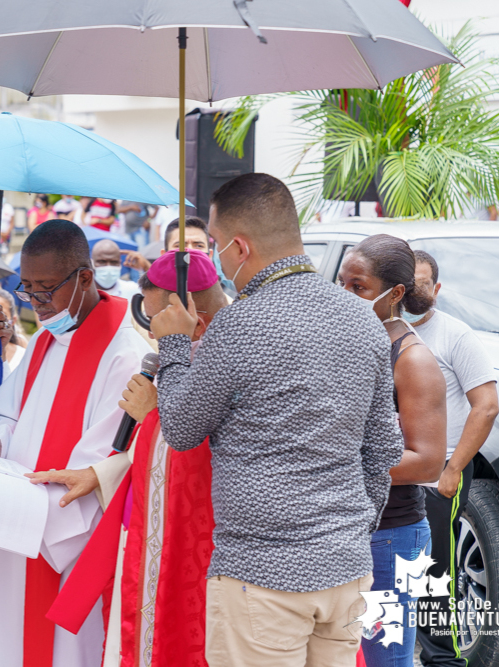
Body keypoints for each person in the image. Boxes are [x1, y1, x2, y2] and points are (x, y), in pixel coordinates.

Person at [150, 173, 407, 666]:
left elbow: (181, 430)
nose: (218, 260)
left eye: (218, 247)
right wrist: (346, 532)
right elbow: (382, 452)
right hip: (345, 568)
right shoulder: (363, 321)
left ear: (240, 247)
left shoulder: (238, 325)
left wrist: (176, 344)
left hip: (262, 576)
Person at [0, 219, 152, 667]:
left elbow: (94, 467)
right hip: (11, 525)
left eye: (46, 289)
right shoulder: (46, 339)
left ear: (84, 278)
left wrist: (19, 510)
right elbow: (11, 417)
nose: (36, 303)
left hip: (59, 540)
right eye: (27, 289)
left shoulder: (123, 354)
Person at [38, 249, 226, 666]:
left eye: (161, 323)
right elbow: (150, 452)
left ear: (192, 314)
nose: (156, 336)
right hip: (153, 529)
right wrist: (101, 473)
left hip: (199, 544)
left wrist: (154, 415)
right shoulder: (180, 358)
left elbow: (203, 458)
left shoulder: (225, 359)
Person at [337, 234, 447, 667]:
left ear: (395, 294)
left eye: (358, 287)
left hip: (391, 536)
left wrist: (337, 466)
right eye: (341, 284)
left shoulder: (412, 359)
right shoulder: (354, 340)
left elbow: (427, 460)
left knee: (385, 658)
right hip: (346, 528)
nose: (345, 295)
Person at [408, 250, 498, 667]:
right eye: (406, 282)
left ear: (437, 289)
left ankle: (444, 660)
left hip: (436, 476)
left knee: (434, 579)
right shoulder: (380, 331)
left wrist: (453, 469)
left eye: (422, 283)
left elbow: (487, 406)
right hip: (390, 475)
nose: (413, 291)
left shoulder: (454, 336)